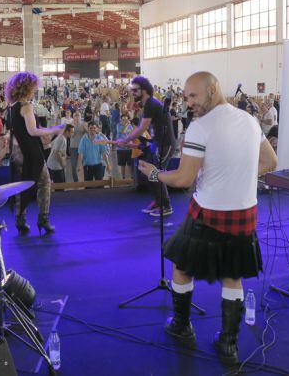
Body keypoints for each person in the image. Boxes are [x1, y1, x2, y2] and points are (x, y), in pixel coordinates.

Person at [138, 72, 277, 365]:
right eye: (186, 97)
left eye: (193, 96)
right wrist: (234, 177)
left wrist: (153, 173)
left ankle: (181, 325)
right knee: (233, 275)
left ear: (213, 90)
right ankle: (229, 344)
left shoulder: (200, 128)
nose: (188, 103)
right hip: (245, 213)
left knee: (181, 266)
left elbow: (184, 179)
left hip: (208, 212)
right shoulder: (250, 121)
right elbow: (270, 162)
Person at [5, 72, 64, 235]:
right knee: (44, 183)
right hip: (30, 152)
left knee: (21, 186)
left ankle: (20, 220)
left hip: (17, 152)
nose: (35, 90)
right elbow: (33, 131)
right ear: (28, 87)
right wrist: (54, 129)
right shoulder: (26, 106)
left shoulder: (11, 107)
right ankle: (43, 219)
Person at [118, 76, 176, 217]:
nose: (132, 93)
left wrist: (126, 140)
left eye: (135, 90)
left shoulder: (150, 103)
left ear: (144, 90)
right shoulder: (148, 104)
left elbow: (141, 127)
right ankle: (158, 201)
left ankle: (166, 205)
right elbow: (147, 128)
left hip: (165, 144)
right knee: (144, 168)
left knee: (156, 173)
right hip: (157, 143)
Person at [68, 112, 87, 183]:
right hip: (73, 147)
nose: (77, 117)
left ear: (80, 116)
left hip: (82, 147)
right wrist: (74, 126)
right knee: (73, 164)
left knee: (84, 163)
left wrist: (85, 129)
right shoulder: (70, 124)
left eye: (78, 115)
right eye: (75, 115)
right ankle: (75, 180)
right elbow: (70, 136)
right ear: (73, 117)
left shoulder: (84, 124)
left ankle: (86, 179)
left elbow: (88, 134)